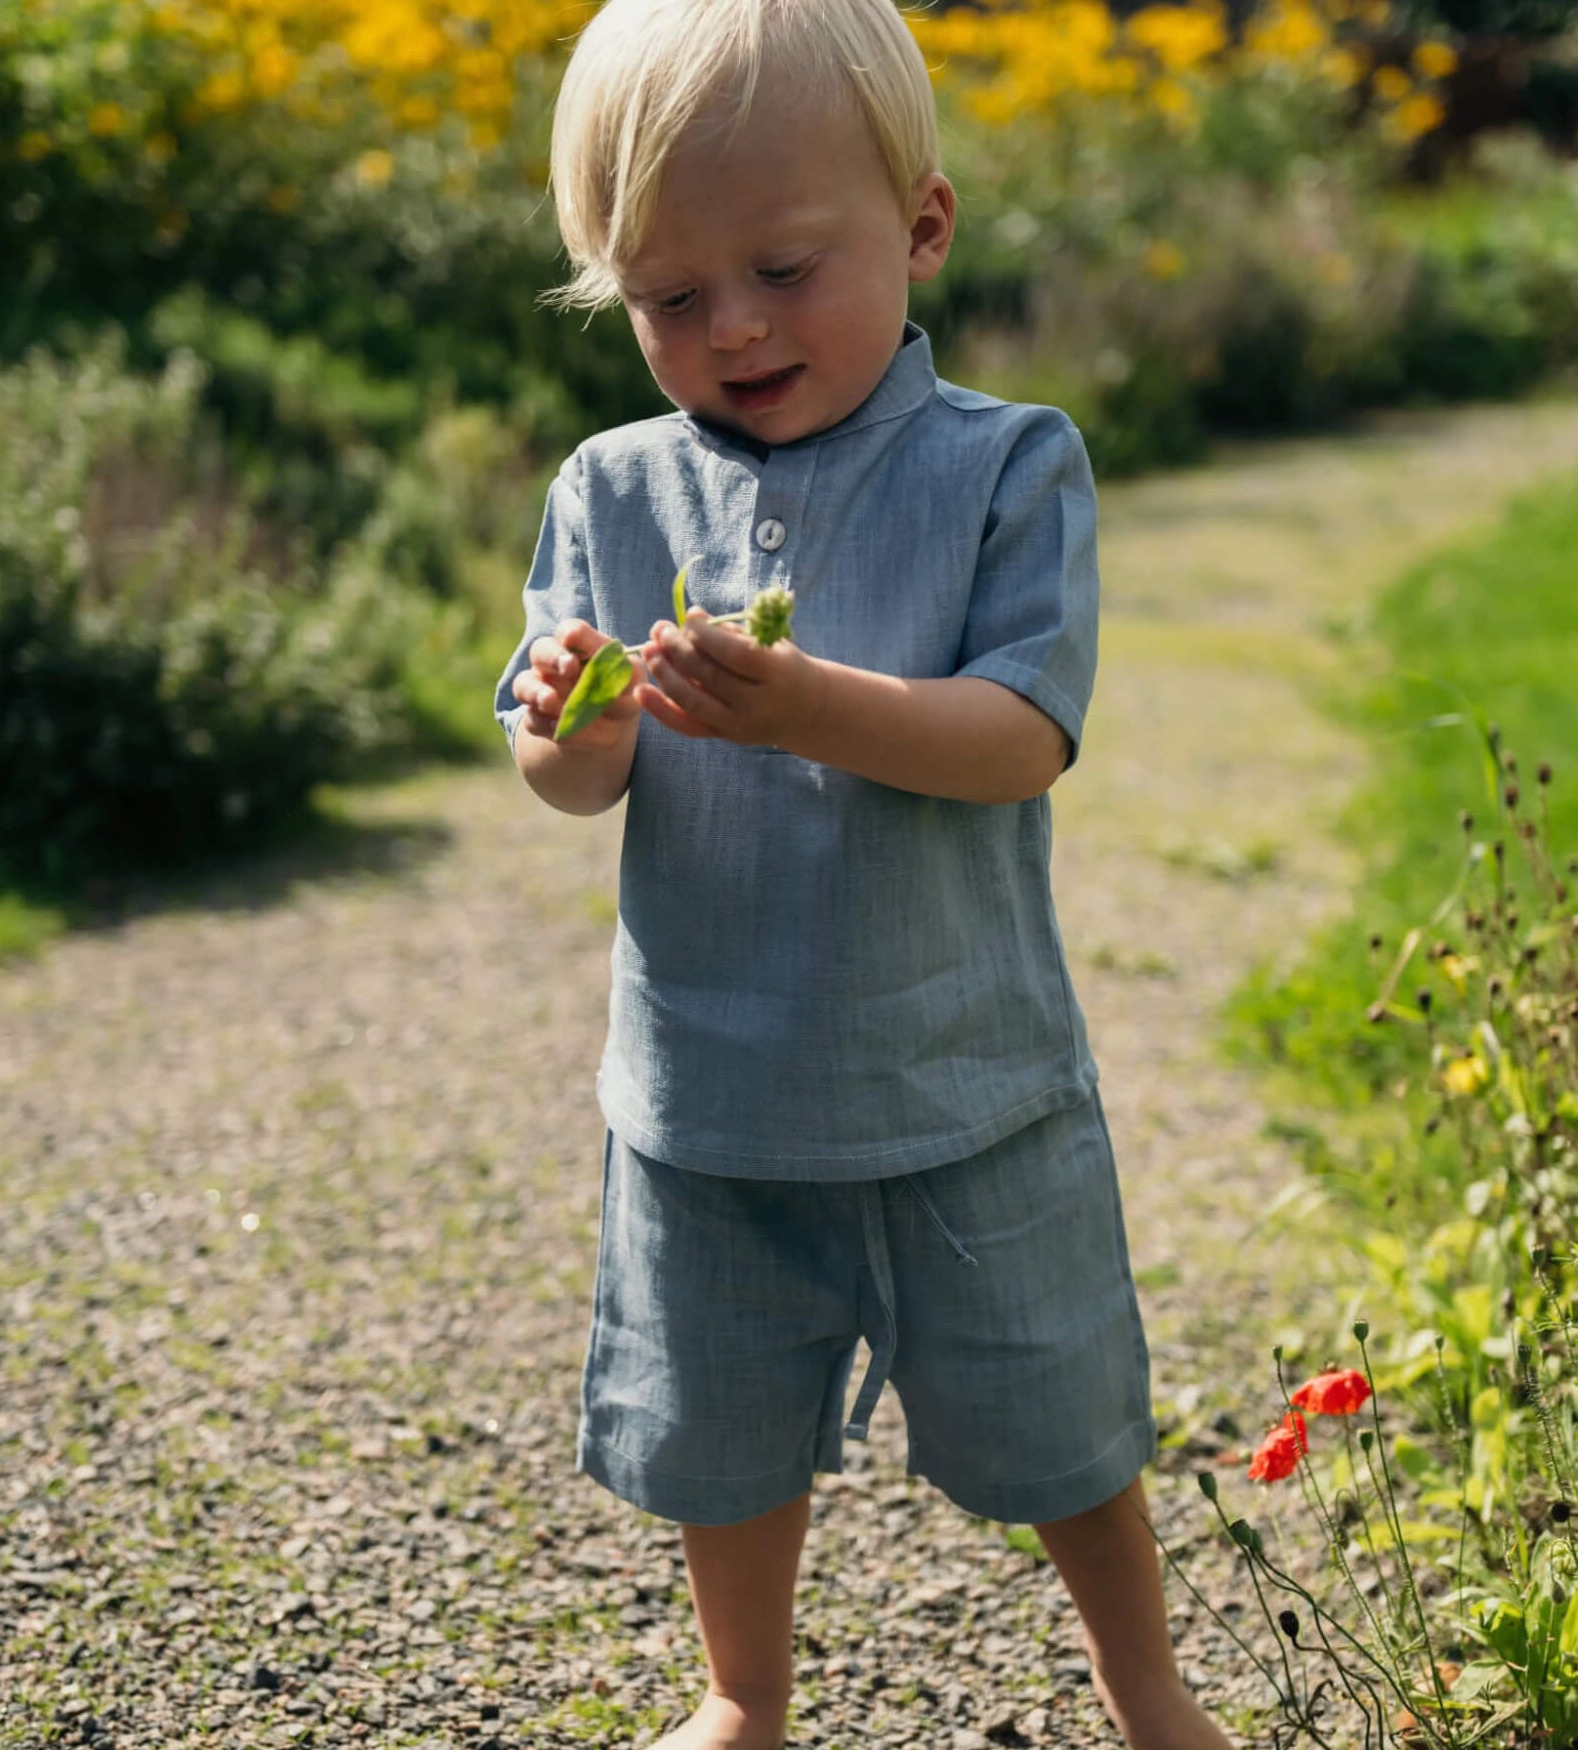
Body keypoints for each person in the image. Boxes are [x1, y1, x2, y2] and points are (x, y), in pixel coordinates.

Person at [496, 2, 1234, 1746]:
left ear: (922, 226)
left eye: (781, 266)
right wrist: (575, 720)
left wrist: (807, 703)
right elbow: (566, 775)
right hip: (710, 1096)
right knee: (724, 1422)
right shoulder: (612, 490)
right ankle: (744, 1692)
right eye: (671, 297)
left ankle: (1150, 1688)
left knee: (1058, 1411)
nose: (733, 326)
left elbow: (1020, 736)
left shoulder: (1004, 467)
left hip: (962, 1076)